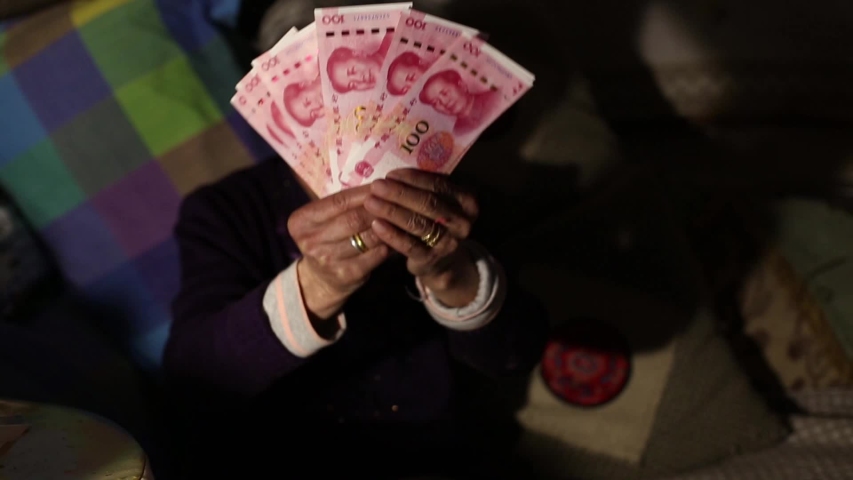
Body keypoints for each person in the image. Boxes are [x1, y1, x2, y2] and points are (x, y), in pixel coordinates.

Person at [164, 158, 547, 479]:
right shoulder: (228, 211)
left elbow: (514, 353)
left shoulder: (449, 193)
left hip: (447, 454)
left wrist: (453, 274)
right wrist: (317, 285)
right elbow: (195, 375)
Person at [419, 69, 500, 135]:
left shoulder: (496, 97)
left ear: (461, 85)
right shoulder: (457, 133)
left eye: (445, 93)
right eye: (435, 102)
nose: (444, 102)